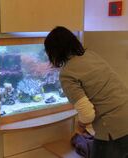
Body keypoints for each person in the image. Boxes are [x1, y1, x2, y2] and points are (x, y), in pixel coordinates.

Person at [44, 26, 128, 158]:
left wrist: (80, 126)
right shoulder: (91, 55)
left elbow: (87, 114)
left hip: (112, 127)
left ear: (53, 52)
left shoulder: (67, 74)